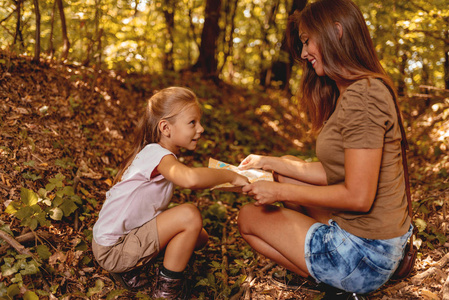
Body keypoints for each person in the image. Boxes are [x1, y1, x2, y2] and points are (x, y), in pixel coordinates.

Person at [236, 0, 413, 296]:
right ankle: (324, 262)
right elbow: (335, 172)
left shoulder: (363, 97)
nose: (304, 54)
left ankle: (339, 284)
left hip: (366, 257)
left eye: (307, 41)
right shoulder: (356, 90)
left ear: (337, 32)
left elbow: (358, 197)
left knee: (248, 218)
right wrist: (270, 162)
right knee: (288, 168)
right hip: (378, 243)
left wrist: (278, 193)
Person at [92, 87, 249, 299]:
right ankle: (165, 291)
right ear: (165, 128)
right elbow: (190, 179)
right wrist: (229, 175)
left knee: (199, 237)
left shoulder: (155, 153)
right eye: (192, 122)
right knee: (190, 215)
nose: (200, 128)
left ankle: (145, 268)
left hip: (123, 239)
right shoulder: (158, 155)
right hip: (113, 250)